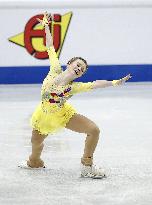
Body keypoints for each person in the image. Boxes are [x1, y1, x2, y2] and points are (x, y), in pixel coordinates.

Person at [19, 12, 131, 179]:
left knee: (93, 130)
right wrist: (46, 27)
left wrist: (114, 82)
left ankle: (87, 165)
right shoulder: (55, 69)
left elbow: (94, 84)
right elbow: (50, 46)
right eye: (78, 65)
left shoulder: (74, 87)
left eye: (82, 69)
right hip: (43, 116)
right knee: (36, 145)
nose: (79, 69)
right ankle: (34, 162)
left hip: (63, 115)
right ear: (69, 63)